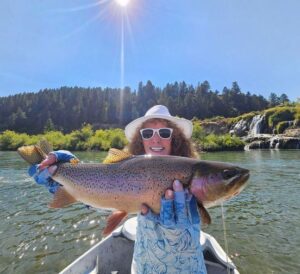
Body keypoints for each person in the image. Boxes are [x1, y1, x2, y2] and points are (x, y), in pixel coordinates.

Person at [30, 105, 207, 274]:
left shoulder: (190, 174)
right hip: (141, 267)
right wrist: (70, 169)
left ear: (173, 137)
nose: (156, 138)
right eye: (147, 133)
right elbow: (103, 192)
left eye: (164, 132)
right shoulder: (129, 170)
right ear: (141, 139)